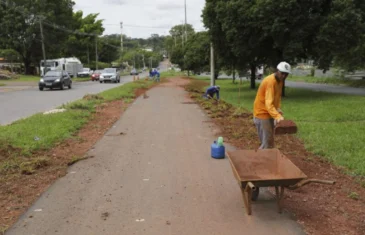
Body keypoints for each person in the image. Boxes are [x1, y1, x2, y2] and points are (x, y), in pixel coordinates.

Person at [253, 61, 291, 149]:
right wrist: (277, 117)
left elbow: (277, 97)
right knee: (266, 143)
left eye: (286, 74)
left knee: (270, 141)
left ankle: (267, 159)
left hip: (269, 112)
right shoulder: (271, 81)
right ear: (277, 71)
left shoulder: (280, 81)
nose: (284, 76)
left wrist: (277, 108)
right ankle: (261, 161)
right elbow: (268, 103)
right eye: (282, 73)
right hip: (262, 113)